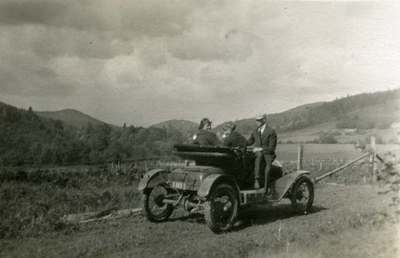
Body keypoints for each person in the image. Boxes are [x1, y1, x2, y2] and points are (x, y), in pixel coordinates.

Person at [247, 114, 277, 190]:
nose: (258, 122)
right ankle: (252, 182)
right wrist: (240, 143)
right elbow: (249, 142)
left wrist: (260, 149)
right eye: (256, 120)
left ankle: (265, 189)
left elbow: (271, 149)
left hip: (268, 155)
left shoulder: (271, 131)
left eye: (260, 120)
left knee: (267, 170)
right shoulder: (255, 131)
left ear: (264, 120)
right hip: (258, 154)